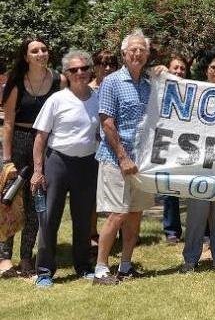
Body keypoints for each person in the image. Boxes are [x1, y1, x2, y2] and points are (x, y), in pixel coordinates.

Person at [31, 50, 100, 287]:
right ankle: (44, 271)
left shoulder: (99, 98)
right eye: (74, 70)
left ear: (90, 70)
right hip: (58, 162)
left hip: (88, 164)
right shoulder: (56, 100)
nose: (80, 73)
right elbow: (40, 137)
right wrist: (38, 171)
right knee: (49, 217)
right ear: (66, 74)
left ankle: (83, 266)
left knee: (83, 218)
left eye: (84, 68)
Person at [93, 29, 155, 285]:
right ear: (124, 53)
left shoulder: (150, 83)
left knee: (135, 213)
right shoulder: (112, 82)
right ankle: (101, 269)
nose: (138, 53)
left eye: (142, 50)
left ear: (147, 54)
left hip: (143, 160)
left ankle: (126, 265)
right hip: (116, 158)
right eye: (133, 49)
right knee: (117, 214)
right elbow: (106, 121)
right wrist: (122, 157)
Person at [0, 38, 65, 278]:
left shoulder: (59, 81)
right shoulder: (16, 83)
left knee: (37, 201)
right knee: (11, 200)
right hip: (19, 141)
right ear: (26, 57)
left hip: (47, 144)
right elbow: (7, 124)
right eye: (34, 51)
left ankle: (27, 257)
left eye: (44, 50)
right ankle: (5, 257)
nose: (40, 54)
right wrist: (7, 160)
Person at [181, 49, 215, 272]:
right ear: (206, 70)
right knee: (197, 214)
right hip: (198, 164)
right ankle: (191, 259)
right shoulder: (195, 93)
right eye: (214, 67)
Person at [162, 53, 189, 244]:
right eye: (175, 68)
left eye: (182, 69)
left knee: (193, 188)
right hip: (167, 144)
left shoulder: (193, 90)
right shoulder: (160, 89)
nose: (179, 71)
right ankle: (172, 230)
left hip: (188, 145)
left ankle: (201, 230)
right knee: (169, 189)